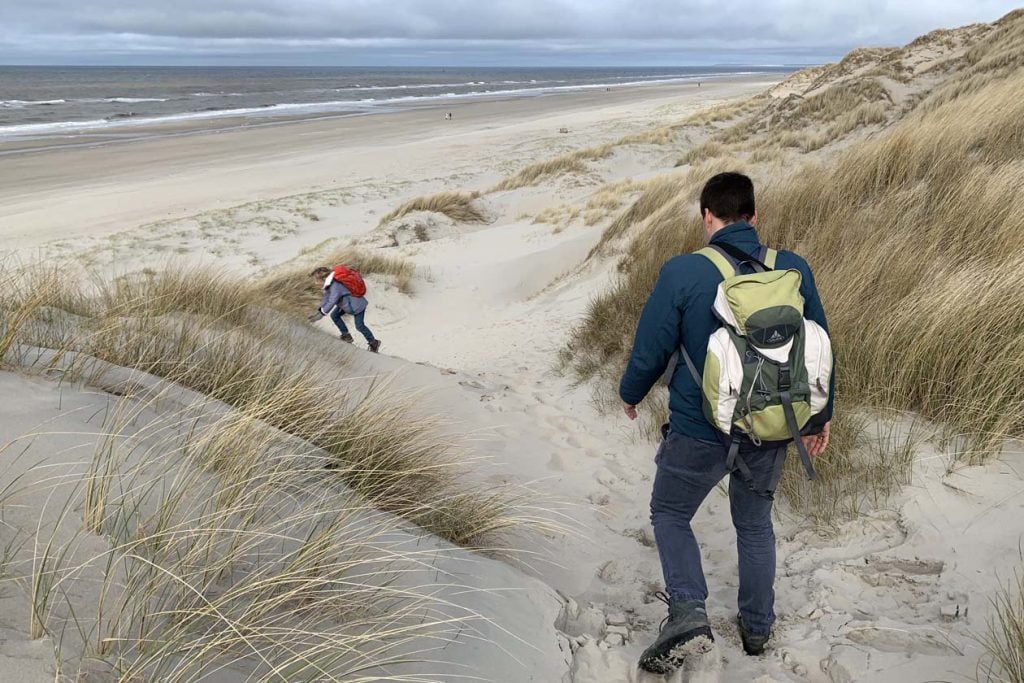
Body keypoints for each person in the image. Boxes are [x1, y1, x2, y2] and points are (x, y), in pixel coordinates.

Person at [619, 172, 833, 672]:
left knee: (670, 513)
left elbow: (652, 346)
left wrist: (631, 395)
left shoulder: (684, 271)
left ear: (706, 218)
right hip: (774, 422)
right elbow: (819, 347)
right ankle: (757, 628)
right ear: (754, 218)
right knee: (755, 521)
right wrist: (819, 417)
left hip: (699, 427)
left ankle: (689, 610)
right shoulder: (792, 268)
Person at [307, 266, 381, 353]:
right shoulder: (330, 285)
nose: (316, 283)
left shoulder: (335, 286)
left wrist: (321, 315)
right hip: (347, 305)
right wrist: (318, 312)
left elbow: (331, 301)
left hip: (357, 307)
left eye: (317, 280)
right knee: (334, 315)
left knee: (359, 326)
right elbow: (326, 299)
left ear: (324, 278)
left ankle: (373, 342)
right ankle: (346, 335)